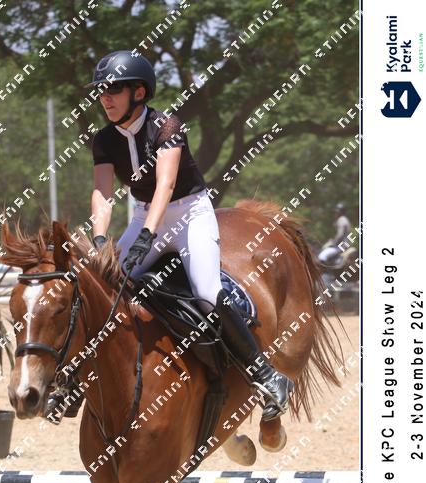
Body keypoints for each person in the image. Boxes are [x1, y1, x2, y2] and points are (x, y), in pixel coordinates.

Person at [87, 50, 293, 420]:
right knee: (106, 287)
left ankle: (266, 375)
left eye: (113, 90)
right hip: (144, 212)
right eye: (101, 91)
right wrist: (100, 239)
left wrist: (147, 235)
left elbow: (165, 186)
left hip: (189, 214)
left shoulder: (166, 125)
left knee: (207, 293)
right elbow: (102, 193)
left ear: (138, 93)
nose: (105, 98)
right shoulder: (103, 139)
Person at [317, 203, 353, 267]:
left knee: (321, 256)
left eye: (336, 212)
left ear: (340, 213)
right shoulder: (345, 219)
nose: (334, 214)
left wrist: (333, 242)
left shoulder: (341, 220)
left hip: (340, 246)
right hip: (344, 245)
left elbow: (340, 234)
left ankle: (327, 273)